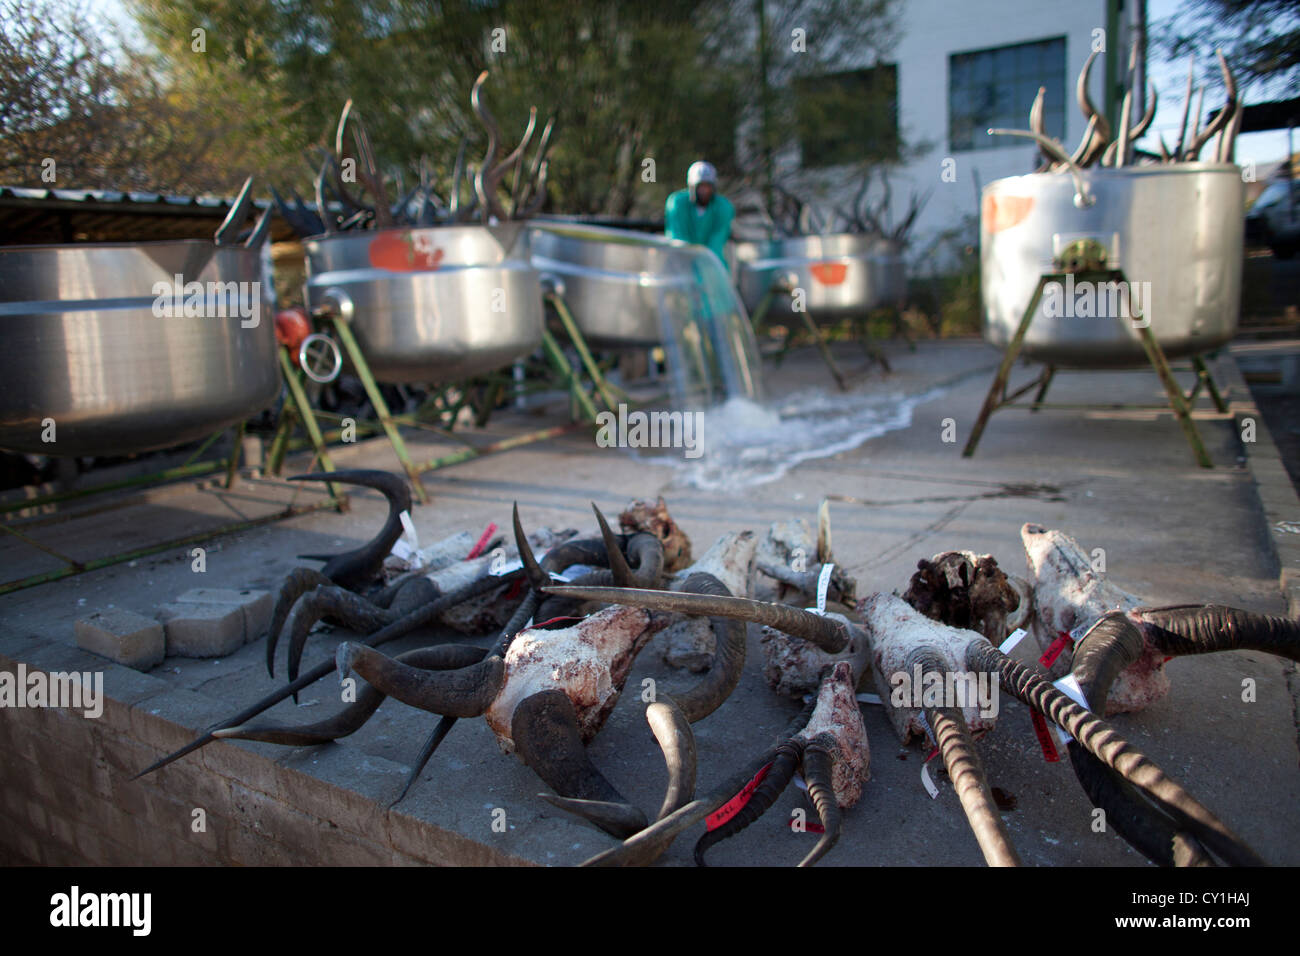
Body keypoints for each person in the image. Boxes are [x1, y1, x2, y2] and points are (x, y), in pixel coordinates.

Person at [664, 161, 734, 269]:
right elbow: (678, 239)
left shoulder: (723, 207)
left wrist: (705, 266)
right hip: (679, 265)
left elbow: (716, 242)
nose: (704, 191)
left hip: (711, 266)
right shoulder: (677, 203)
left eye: (708, 186)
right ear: (692, 186)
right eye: (700, 186)